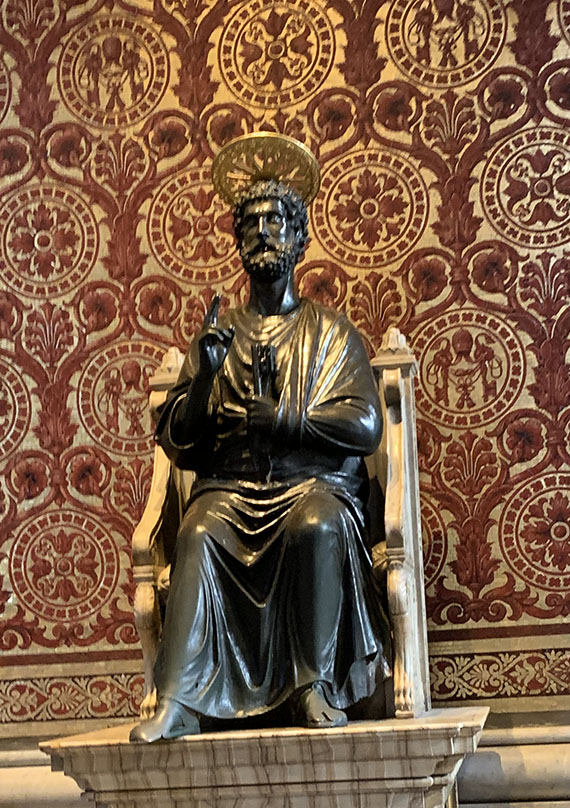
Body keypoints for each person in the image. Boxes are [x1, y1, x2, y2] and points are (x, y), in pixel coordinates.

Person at [130, 173, 390, 742]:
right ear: (238, 242)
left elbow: (366, 426)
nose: (263, 232)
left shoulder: (332, 333)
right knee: (197, 533)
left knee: (317, 526)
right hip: (231, 491)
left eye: (275, 221)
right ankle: (177, 700)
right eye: (250, 223)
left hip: (314, 486)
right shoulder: (218, 336)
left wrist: (289, 422)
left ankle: (315, 686)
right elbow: (178, 442)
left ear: (298, 239)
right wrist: (204, 377)